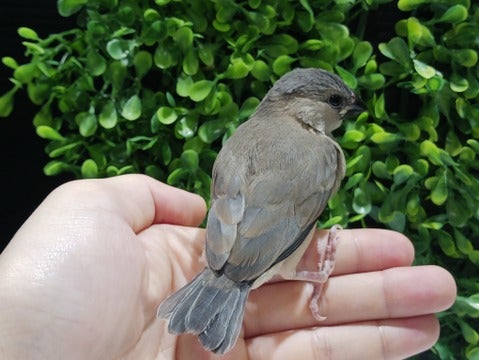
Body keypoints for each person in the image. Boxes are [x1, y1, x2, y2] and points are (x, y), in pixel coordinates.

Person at [0, 174, 456, 359]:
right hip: (255, 263)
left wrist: (222, 267)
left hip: (219, 257)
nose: (346, 110)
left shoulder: (247, 137)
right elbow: (285, 234)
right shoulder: (323, 158)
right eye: (336, 103)